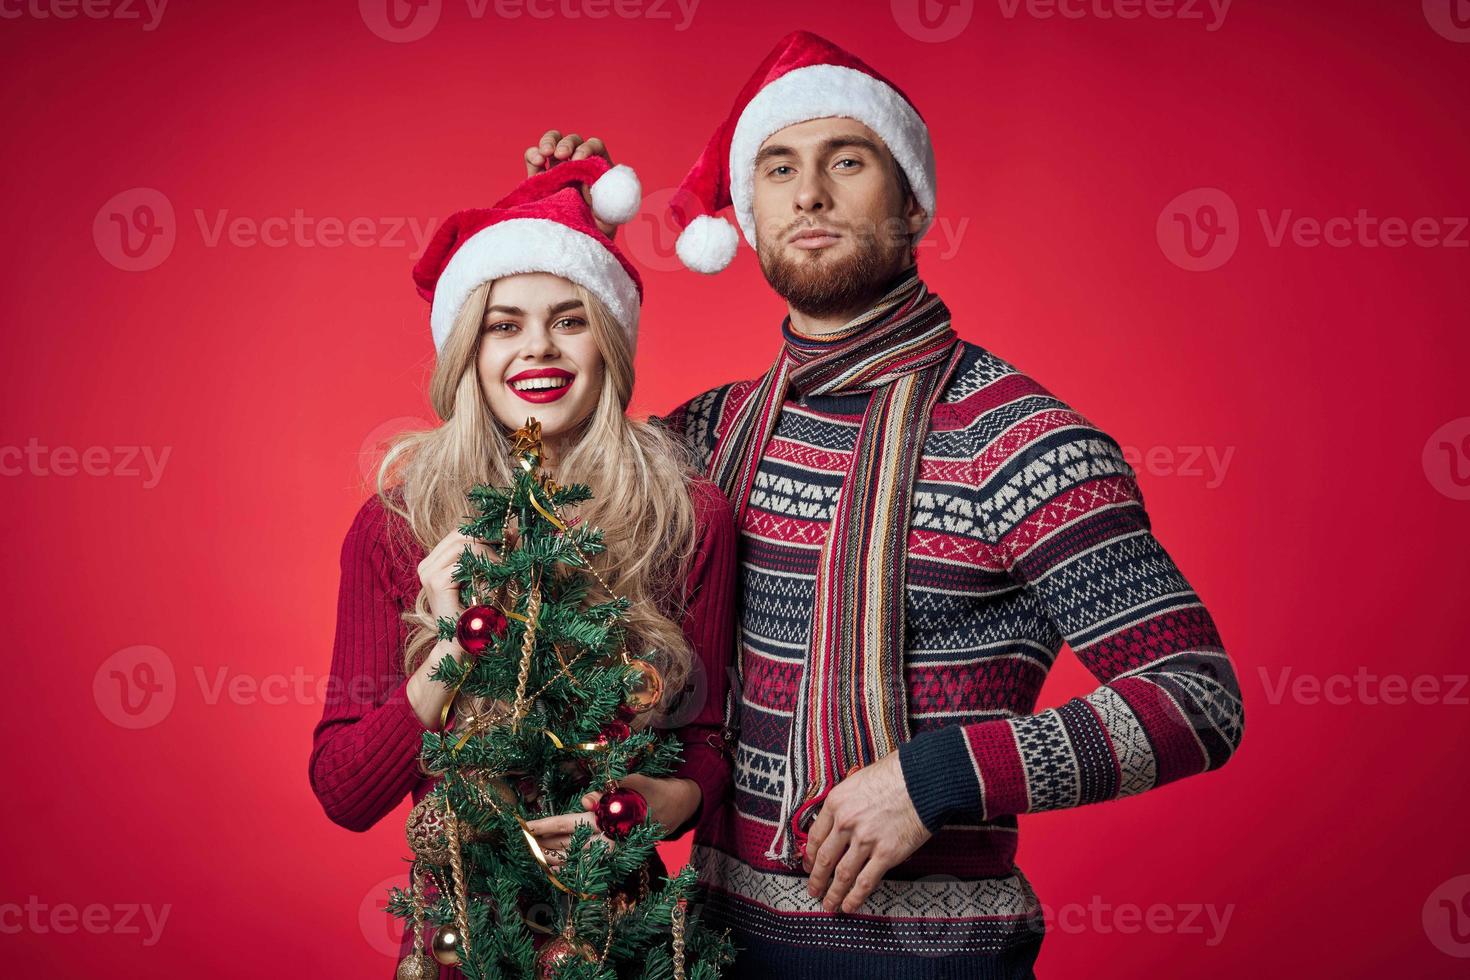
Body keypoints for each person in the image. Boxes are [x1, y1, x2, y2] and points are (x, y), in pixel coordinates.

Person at [522, 29, 1246, 980]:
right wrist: (561, 250)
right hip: (699, 947)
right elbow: (540, 490)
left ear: (911, 204)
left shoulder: (1020, 441)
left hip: (929, 958)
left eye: (846, 161)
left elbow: (1196, 697)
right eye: (777, 168)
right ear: (747, 211)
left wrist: (935, 778)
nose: (809, 194)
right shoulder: (705, 435)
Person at [307, 156, 737, 977]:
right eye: (505, 324)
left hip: (622, 941)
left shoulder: (685, 517)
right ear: (467, 351)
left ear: (608, 340)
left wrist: (654, 802)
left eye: (569, 319)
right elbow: (344, 792)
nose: (537, 346)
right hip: (460, 944)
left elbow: (708, 742)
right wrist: (453, 648)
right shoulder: (396, 529)